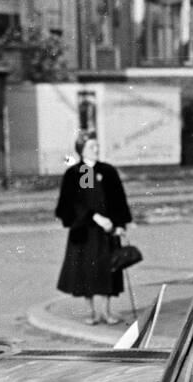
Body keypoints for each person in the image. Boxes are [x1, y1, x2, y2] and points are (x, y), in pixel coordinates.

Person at [55, 135, 133, 325]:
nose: (96, 149)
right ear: (81, 150)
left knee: (108, 270)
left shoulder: (107, 171)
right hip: (86, 232)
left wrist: (120, 225)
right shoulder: (79, 172)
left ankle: (106, 311)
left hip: (107, 231)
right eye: (92, 146)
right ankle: (91, 312)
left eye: (97, 145)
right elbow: (79, 202)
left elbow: (118, 200)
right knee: (86, 271)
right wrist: (95, 217)